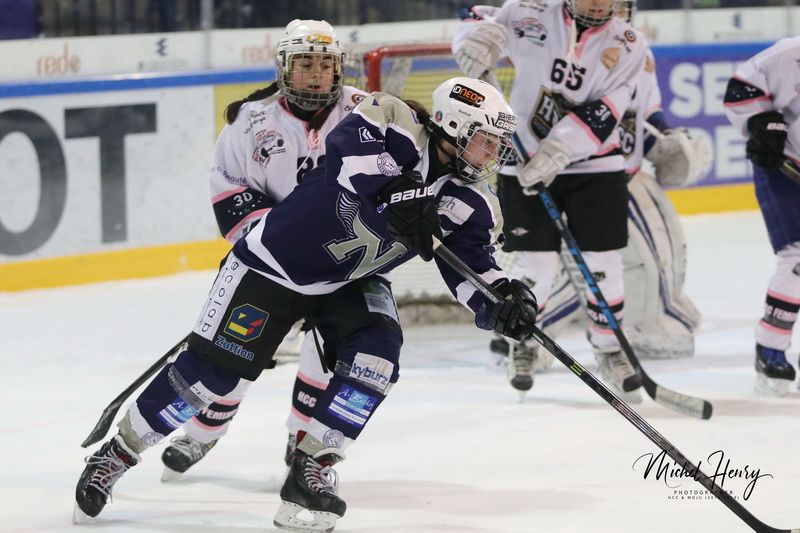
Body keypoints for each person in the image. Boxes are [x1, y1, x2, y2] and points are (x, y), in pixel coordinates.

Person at [73, 75, 538, 532]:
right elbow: (347, 159)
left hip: (350, 281)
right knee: (209, 376)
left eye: (497, 144)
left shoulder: (471, 201)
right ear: (451, 127)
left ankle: (311, 466)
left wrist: (505, 300)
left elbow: (472, 266)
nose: (492, 154)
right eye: (485, 141)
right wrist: (402, 191)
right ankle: (116, 455)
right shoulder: (391, 119)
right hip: (274, 264)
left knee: (378, 358)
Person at [158, 19, 370, 481]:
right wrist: (280, 247)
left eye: (325, 64)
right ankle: (203, 431)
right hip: (268, 264)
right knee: (234, 348)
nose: (315, 74)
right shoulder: (250, 120)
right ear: (283, 69)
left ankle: (302, 441)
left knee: (326, 355)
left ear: (338, 68)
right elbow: (229, 188)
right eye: (304, 64)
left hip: (342, 265)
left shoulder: (364, 113)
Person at [453, 0, 647, 401]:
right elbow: (478, 21)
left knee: (605, 264)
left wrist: (557, 152)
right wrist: (470, 43)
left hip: (594, 163)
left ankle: (610, 349)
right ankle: (522, 339)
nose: (598, 2)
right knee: (536, 266)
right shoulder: (529, 10)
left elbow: (607, 109)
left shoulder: (629, 44)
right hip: (520, 159)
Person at [723, 37, 800, 397]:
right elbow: (744, 85)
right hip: (786, 168)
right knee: (798, 259)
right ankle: (771, 348)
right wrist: (763, 122)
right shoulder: (789, 54)